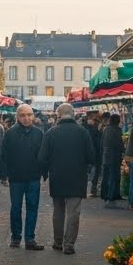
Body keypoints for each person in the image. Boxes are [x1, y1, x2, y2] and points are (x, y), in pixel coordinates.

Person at [38, 103, 96, 255]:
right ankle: (69, 243)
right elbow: (91, 155)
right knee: (73, 212)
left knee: (58, 211)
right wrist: (87, 168)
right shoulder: (83, 132)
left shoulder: (50, 133)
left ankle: (58, 242)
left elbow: (42, 157)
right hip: (78, 177)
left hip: (57, 177)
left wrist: (45, 173)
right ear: (73, 114)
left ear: (58, 115)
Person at [1, 104, 45, 249]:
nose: (27, 118)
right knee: (16, 208)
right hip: (16, 178)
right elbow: (3, 156)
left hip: (33, 177)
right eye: (23, 115)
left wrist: (44, 172)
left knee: (32, 207)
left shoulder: (39, 133)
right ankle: (15, 237)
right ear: (17, 117)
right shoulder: (9, 133)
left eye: (29, 115)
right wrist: (4, 175)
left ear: (33, 116)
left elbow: (44, 155)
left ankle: (30, 239)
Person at [101, 114, 125, 207]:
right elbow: (119, 144)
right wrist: (124, 151)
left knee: (106, 177)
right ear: (117, 121)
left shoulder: (106, 129)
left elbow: (102, 143)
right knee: (113, 177)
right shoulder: (117, 130)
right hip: (114, 157)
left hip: (106, 156)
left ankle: (106, 195)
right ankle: (111, 197)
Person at [85, 112, 103, 197]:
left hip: (95, 154)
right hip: (92, 154)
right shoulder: (87, 128)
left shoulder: (89, 127)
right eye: (94, 118)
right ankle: (90, 190)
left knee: (94, 173)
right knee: (92, 173)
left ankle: (93, 190)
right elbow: (94, 140)